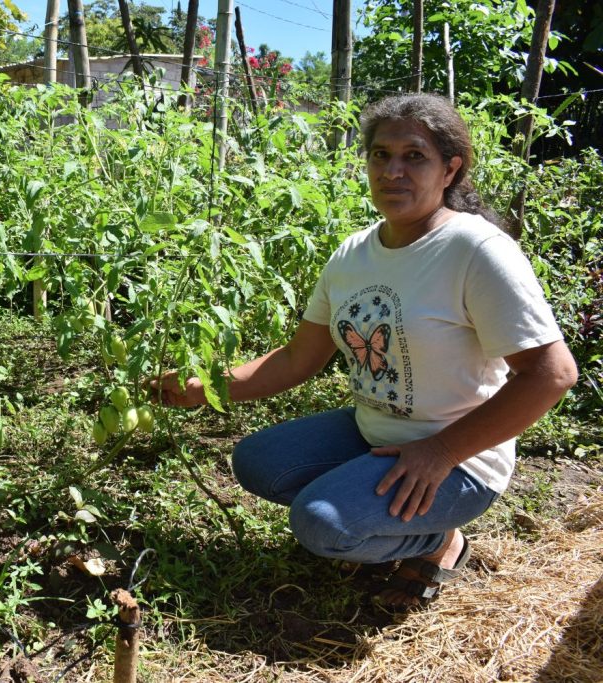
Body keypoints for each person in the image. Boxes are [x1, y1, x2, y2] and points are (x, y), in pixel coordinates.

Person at [152, 93, 578, 608]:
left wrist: (440, 452)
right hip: (374, 429)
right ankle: (379, 508)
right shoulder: (353, 254)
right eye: (381, 154)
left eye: (414, 156)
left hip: (461, 459)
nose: (393, 170)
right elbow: (298, 358)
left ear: (450, 169)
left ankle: (441, 542)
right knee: (257, 462)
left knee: (321, 524)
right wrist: (206, 389)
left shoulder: (476, 251)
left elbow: (551, 374)